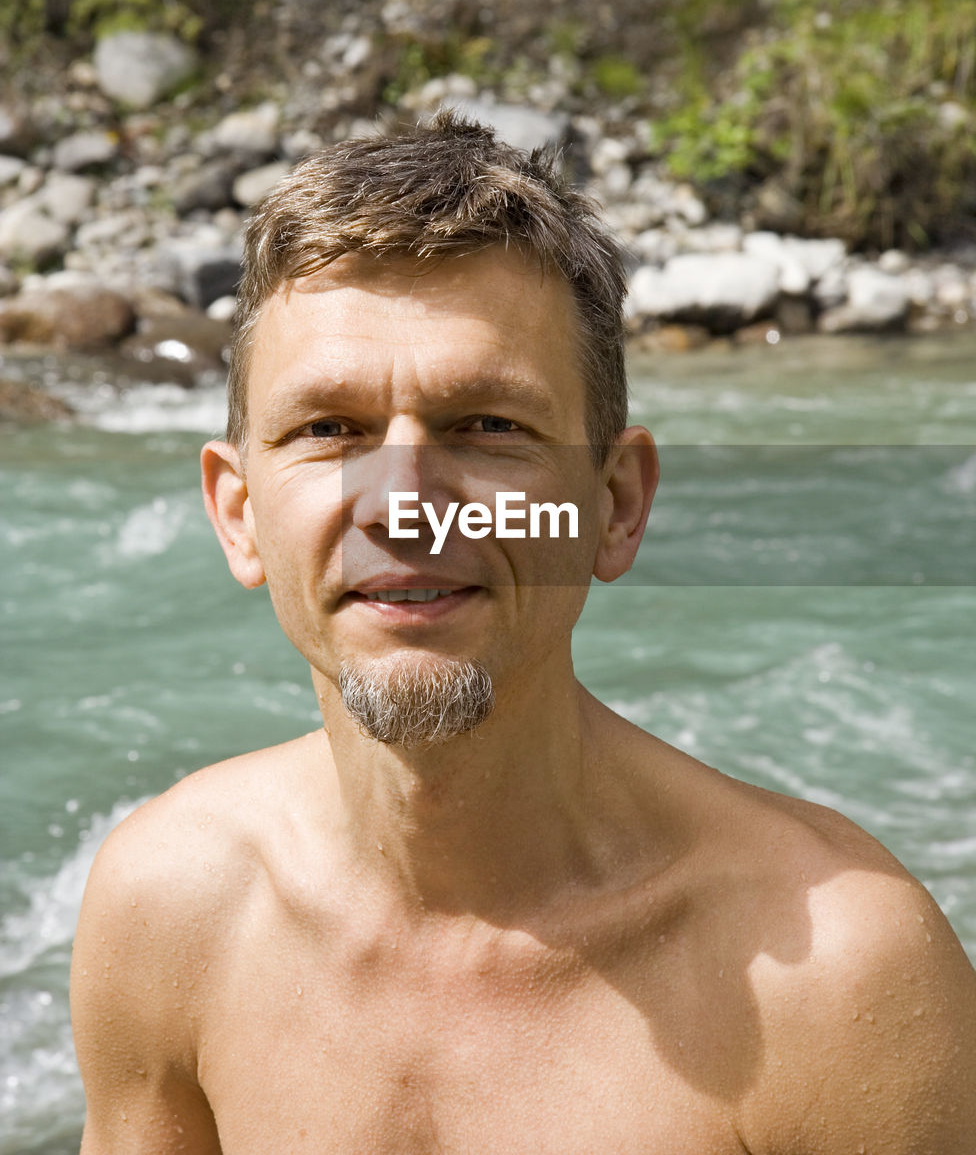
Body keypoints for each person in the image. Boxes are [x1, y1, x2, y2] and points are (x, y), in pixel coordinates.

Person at [71, 114, 976, 1153]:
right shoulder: (170, 909)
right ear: (237, 511)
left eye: (488, 426)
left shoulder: (838, 978)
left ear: (615, 502)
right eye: (329, 429)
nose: (405, 504)